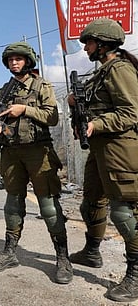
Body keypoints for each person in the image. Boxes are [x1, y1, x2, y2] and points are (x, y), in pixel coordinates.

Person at [0, 42, 73, 284]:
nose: (14, 62)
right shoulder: (3, 90)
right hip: (12, 152)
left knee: (48, 206)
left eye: (18, 58)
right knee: (12, 204)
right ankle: (9, 253)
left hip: (38, 152)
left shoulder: (41, 85)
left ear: (28, 61)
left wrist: (25, 109)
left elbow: (52, 117)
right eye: (10, 59)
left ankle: (63, 258)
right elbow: (1, 123)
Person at [67, 18, 138, 302]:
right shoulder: (101, 72)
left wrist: (96, 124)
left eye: (88, 42)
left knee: (122, 211)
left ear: (103, 44)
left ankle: (135, 275)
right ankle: (92, 251)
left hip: (120, 149)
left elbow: (131, 112)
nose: (85, 48)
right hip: (99, 151)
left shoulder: (120, 69)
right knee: (92, 203)